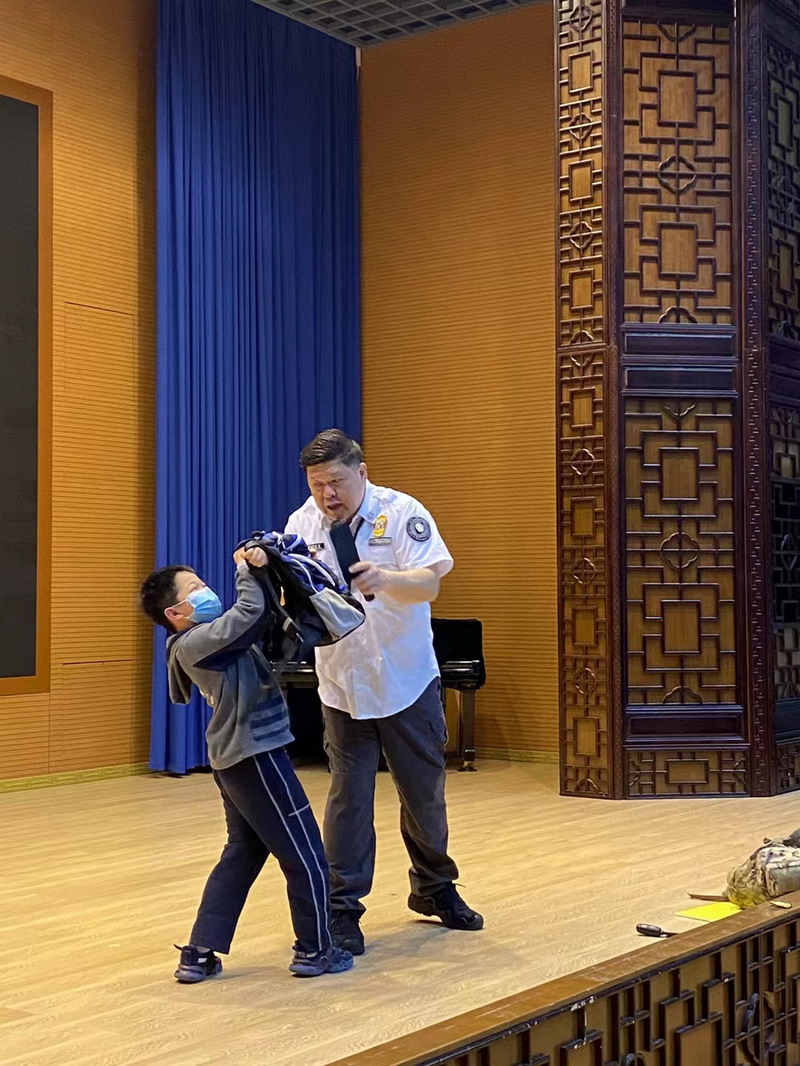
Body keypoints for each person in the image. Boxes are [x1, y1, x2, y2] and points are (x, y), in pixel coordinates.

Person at [286, 429, 483, 956]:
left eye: (336, 482)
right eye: (317, 484)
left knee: (423, 796)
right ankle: (342, 909)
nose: (328, 495)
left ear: (362, 472)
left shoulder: (401, 513)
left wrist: (386, 578)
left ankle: (435, 887)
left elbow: (430, 583)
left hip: (406, 678)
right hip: (342, 683)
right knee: (348, 801)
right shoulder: (302, 523)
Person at [140, 545, 353, 982]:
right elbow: (249, 614)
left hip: (236, 760)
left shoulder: (208, 637)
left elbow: (263, 621)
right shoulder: (195, 643)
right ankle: (316, 949)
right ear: (175, 613)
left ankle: (199, 952)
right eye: (195, 588)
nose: (206, 591)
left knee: (243, 851)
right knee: (306, 853)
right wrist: (245, 569)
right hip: (255, 757)